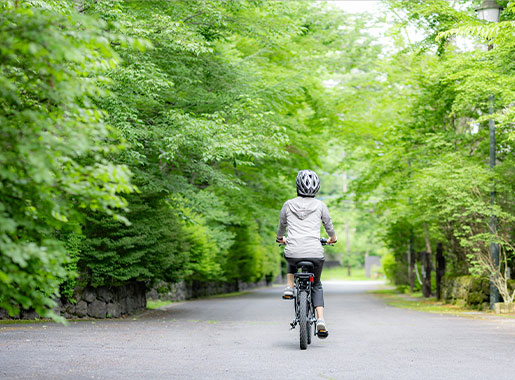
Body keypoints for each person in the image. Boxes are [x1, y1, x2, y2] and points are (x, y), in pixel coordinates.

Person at [276, 169, 337, 338]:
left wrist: (280, 238)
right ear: (316, 188)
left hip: (293, 250)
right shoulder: (320, 205)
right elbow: (328, 225)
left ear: (297, 186)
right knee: (316, 284)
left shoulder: (288, 204)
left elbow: (282, 225)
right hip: (315, 252)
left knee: (291, 253)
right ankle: (321, 320)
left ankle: (289, 287)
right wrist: (332, 238)